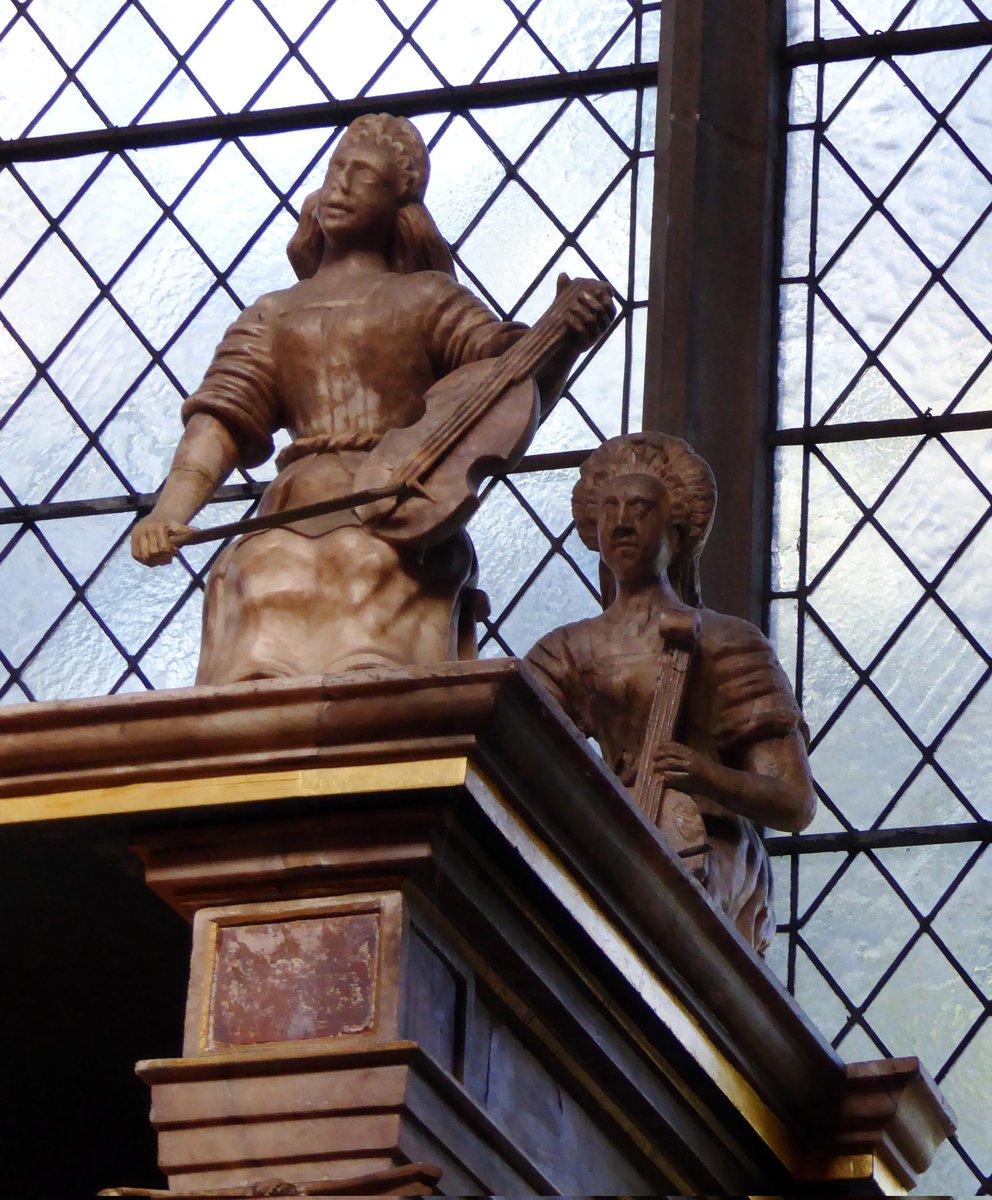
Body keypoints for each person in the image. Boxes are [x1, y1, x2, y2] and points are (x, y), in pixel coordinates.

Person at [131, 113, 612, 684]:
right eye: (336, 169)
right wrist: (168, 512)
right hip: (293, 508)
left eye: (363, 177)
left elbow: (505, 388)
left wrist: (560, 340)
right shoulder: (272, 312)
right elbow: (219, 424)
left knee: (374, 569)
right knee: (258, 570)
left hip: (397, 508)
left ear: (398, 204)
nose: (339, 186)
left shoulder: (428, 298)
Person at [524, 433, 815, 953]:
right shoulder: (567, 648)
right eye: (609, 509)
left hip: (705, 852)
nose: (621, 523)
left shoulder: (727, 641)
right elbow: (521, 754)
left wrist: (703, 774)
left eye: (639, 508)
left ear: (677, 529)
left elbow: (793, 802)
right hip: (612, 848)